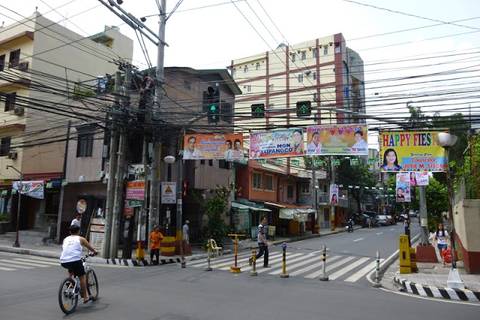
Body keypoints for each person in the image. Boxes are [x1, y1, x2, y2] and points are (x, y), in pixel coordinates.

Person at [60, 224, 97, 304]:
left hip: (63, 261)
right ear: (78, 231)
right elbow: (89, 247)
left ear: (70, 231)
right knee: (82, 278)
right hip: (75, 260)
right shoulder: (81, 239)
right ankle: (86, 296)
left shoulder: (65, 239)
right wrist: (94, 252)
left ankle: (70, 281)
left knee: (71, 268)